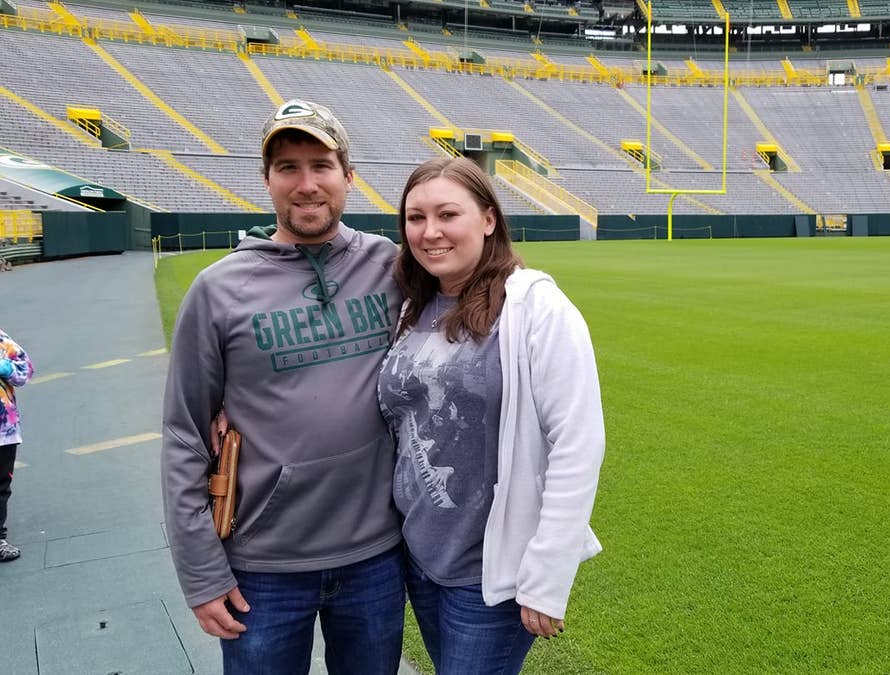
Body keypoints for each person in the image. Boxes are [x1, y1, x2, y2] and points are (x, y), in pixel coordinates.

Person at [161, 99, 405, 674]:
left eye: (321, 165)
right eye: (288, 167)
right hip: (261, 567)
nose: (306, 184)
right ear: (267, 180)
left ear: (348, 176)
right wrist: (200, 572)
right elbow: (182, 434)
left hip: (376, 557)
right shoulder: (217, 290)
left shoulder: (391, 266)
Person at [378, 157, 605, 673]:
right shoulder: (414, 307)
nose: (430, 231)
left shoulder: (535, 308)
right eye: (415, 218)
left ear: (488, 219)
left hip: (489, 576)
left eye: (447, 214)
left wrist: (547, 575)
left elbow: (578, 441)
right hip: (420, 560)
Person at [0, 328, 33, 562]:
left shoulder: (1, 341)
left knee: (1, 486)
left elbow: (25, 370)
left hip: (4, 431)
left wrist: (5, 368)